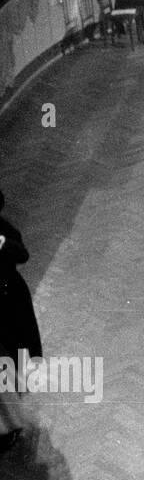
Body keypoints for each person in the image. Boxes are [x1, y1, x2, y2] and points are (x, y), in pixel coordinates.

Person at [0, 188, 42, 455]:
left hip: (8, 304)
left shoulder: (2, 231)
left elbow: (22, 253)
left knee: (15, 360)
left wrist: (2, 244)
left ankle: (10, 424)